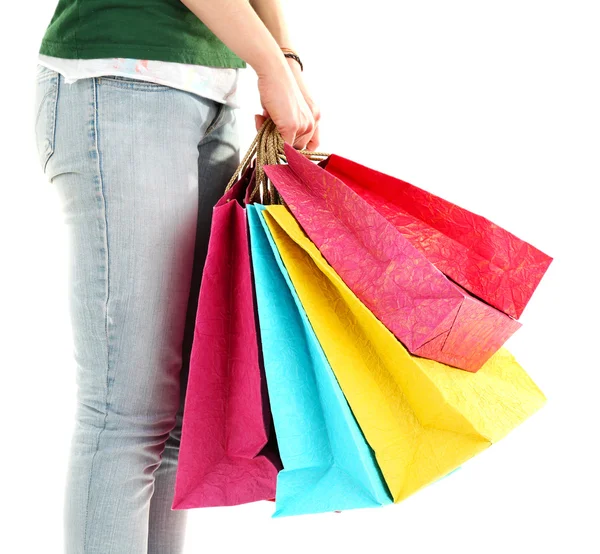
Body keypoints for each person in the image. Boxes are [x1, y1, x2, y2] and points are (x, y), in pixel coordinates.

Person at [33, 1, 320, 552]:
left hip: (214, 98)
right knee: (127, 411)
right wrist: (270, 64)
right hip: (116, 78)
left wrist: (284, 60)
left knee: (179, 421)